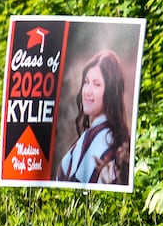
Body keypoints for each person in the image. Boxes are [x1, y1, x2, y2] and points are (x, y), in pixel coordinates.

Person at [57, 50, 132, 186]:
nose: (88, 91)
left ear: (110, 92)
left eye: (97, 84)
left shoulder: (106, 140)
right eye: (87, 82)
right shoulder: (98, 137)